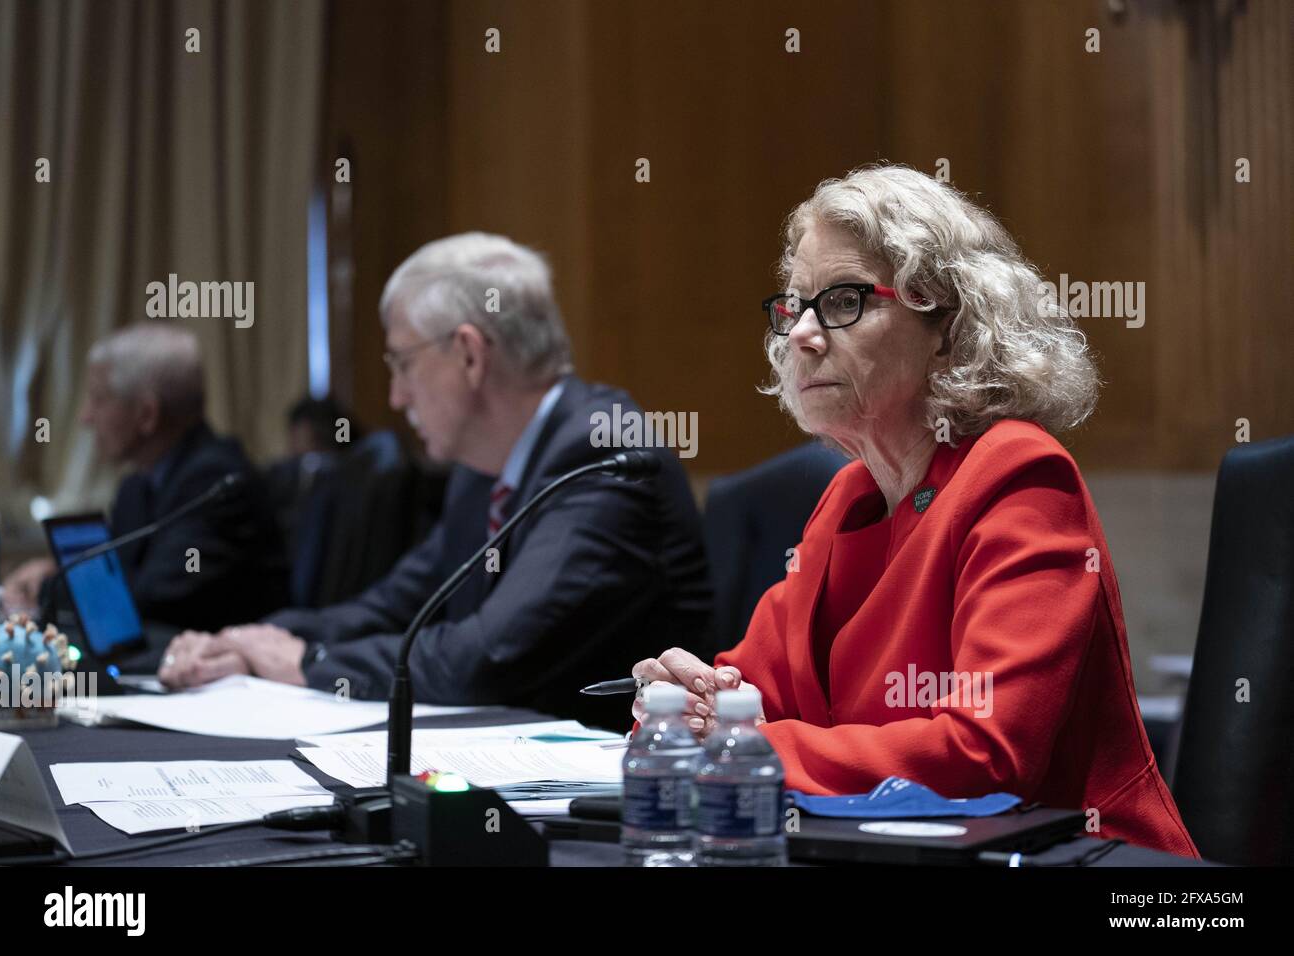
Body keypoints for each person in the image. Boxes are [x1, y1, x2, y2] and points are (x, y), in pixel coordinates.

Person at [629, 164, 1199, 856]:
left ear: (948, 325)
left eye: (842, 301)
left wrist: (745, 745)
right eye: (795, 306)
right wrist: (678, 702)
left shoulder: (1020, 477)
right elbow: (747, 692)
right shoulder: (848, 499)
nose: (802, 335)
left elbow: (984, 753)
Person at [159, 233, 712, 730]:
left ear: (469, 355)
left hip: (608, 809)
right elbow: (397, 605)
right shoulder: (482, 470)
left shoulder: (602, 452)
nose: (396, 398)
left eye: (402, 364)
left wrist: (307, 663)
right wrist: (248, 641)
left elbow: (485, 658)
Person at [2, 322, 288, 631]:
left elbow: (146, 600)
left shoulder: (217, 482)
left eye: (99, 399)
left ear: (146, 415)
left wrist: (49, 585)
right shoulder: (138, 484)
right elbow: (117, 573)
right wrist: (56, 569)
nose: (86, 417)